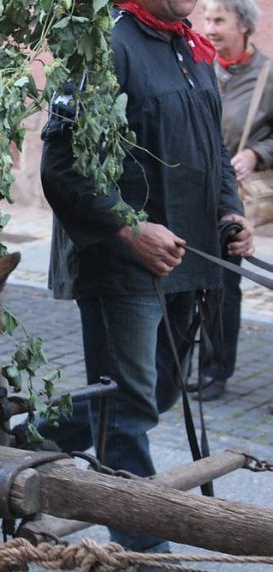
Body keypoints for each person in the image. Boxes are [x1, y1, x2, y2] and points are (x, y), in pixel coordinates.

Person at [37, 0, 254, 556]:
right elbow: (61, 168)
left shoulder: (189, 46)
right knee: (125, 408)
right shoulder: (103, 44)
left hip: (191, 260)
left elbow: (214, 153)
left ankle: (30, 441)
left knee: (155, 393)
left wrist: (230, 214)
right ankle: (142, 548)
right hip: (124, 266)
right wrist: (130, 229)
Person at [196, 0, 273, 401]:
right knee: (190, 282)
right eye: (206, 19)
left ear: (243, 26)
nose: (209, 27)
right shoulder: (199, 66)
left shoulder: (268, 76)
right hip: (192, 194)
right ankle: (187, 364)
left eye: (219, 20)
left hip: (237, 199)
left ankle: (216, 370)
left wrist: (257, 152)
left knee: (224, 285)